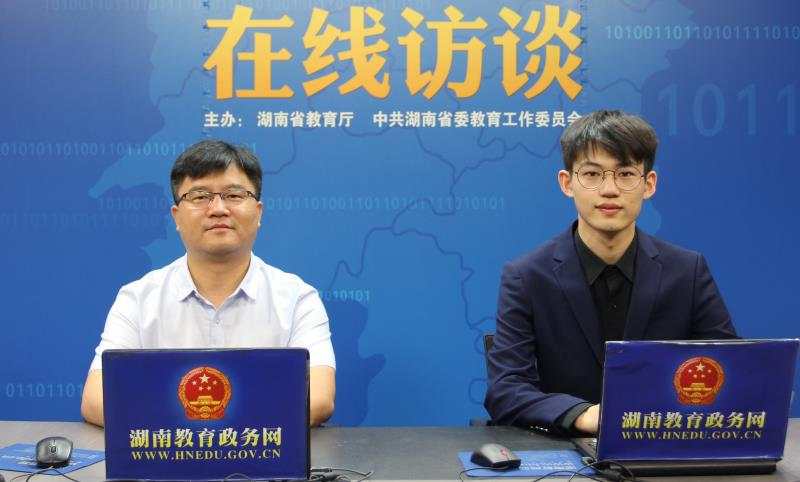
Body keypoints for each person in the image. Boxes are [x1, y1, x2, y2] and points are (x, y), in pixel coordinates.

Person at [484, 110, 737, 435]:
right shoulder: (527, 276)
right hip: (566, 448)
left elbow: (730, 368)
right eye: (592, 174)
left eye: (625, 174)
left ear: (649, 184)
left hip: (662, 442)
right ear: (567, 183)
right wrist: (583, 415)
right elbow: (506, 389)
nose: (609, 189)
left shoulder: (687, 272)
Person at [81, 140, 335, 427]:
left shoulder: (298, 298)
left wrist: (200, 429)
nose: (218, 209)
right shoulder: (138, 299)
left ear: (259, 212)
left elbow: (318, 398)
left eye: (234, 195)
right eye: (200, 196)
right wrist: (198, 437)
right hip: (171, 456)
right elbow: (96, 399)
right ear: (176, 216)